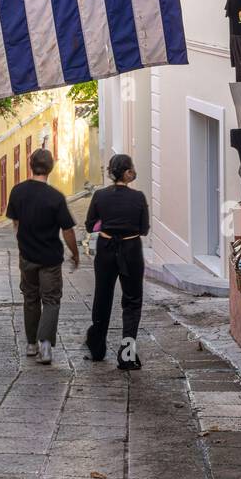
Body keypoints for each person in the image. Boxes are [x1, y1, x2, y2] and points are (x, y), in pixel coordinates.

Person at [6, 147, 79, 365]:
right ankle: (45, 346)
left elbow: (16, 222)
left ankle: (31, 344)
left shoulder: (17, 192)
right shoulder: (55, 197)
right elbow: (67, 230)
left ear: (31, 165)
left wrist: (22, 242)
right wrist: (75, 253)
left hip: (27, 256)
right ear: (50, 168)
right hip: (50, 259)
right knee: (51, 300)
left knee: (30, 298)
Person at [84, 154, 149, 369]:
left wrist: (108, 224)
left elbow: (89, 224)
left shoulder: (99, 196)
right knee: (132, 301)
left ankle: (97, 348)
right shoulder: (138, 197)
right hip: (131, 249)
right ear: (128, 172)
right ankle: (127, 355)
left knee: (102, 297)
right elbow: (143, 229)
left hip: (106, 248)